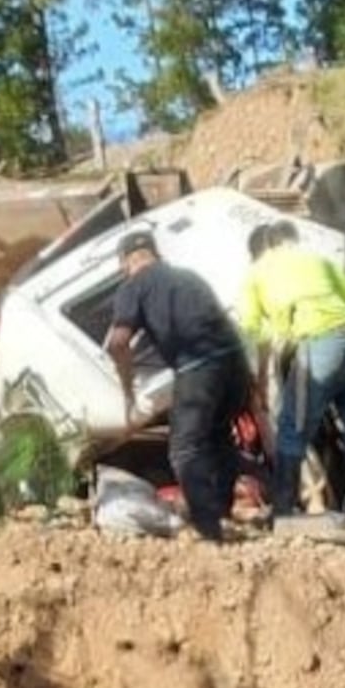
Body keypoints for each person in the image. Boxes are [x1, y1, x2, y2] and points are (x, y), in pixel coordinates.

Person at [240, 219, 345, 523]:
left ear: (260, 250)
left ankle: (284, 511)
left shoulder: (258, 272)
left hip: (319, 346)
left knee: (291, 428)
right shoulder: (321, 259)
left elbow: (254, 333)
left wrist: (259, 380)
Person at [106, 230, 250, 542]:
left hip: (199, 369)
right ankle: (220, 514)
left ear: (125, 262)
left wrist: (128, 389)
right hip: (235, 365)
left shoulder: (133, 286)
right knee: (219, 439)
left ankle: (207, 528)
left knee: (184, 449)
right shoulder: (189, 277)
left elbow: (117, 343)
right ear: (155, 252)